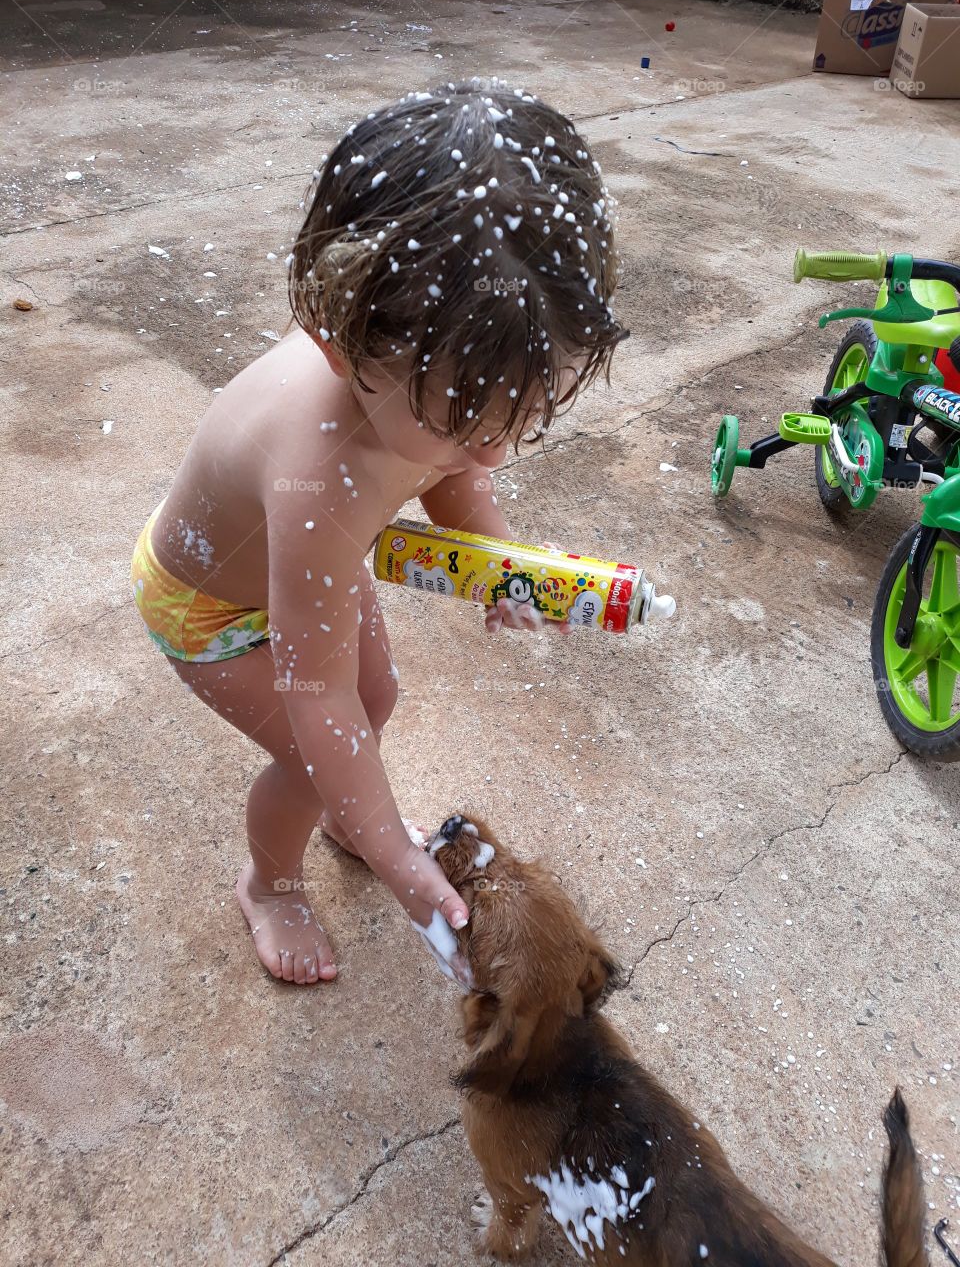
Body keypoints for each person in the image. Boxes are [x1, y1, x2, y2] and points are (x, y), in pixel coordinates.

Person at [130, 77, 625, 984]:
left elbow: (455, 475)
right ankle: (271, 884)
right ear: (340, 342)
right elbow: (315, 695)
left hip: (312, 566)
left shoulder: (418, 394)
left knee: (379, 697)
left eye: (528, 414)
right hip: (211, 604)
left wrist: (499, 563)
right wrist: (397, 854)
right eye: (464, 420)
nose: (494, 448)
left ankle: (341, 815)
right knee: (313, 752)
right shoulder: (318, 474)